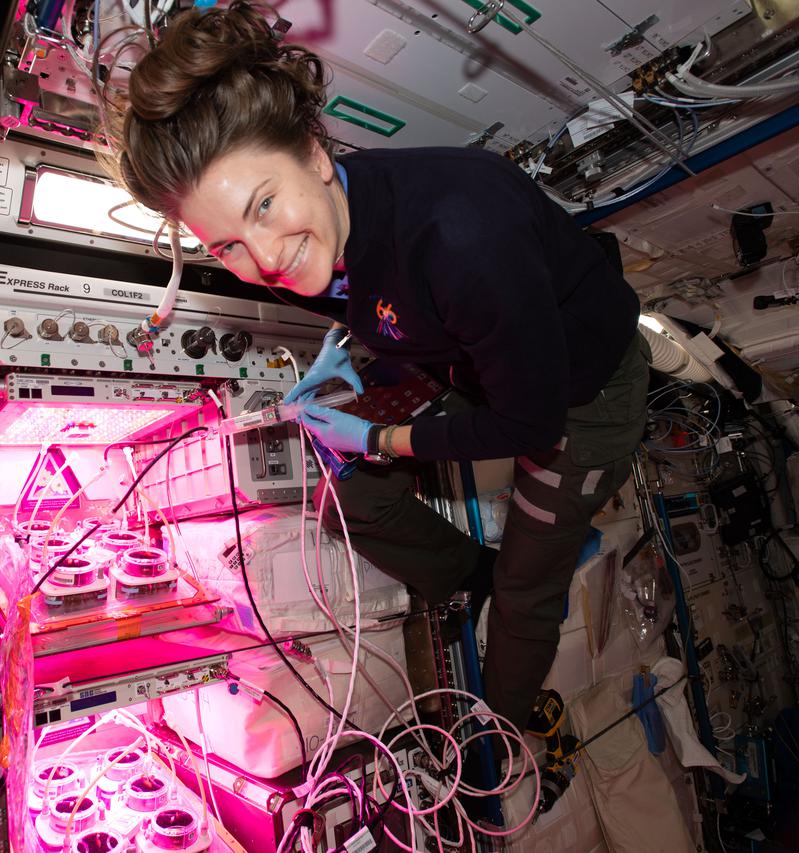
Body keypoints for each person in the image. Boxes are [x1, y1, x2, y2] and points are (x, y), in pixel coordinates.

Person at [110, 2, 649, 733]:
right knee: (349, 493)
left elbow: (531, 421)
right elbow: (369, 291)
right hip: (471, 364)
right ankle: (471, 577)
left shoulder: (463, 231)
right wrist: (365, 360)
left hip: (580, 397)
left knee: (528, 589)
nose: (263, 257)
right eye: (228, 245)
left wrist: (384, 439)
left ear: (313, 152)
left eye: (265, 204)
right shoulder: (311, 230)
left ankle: (504, 733)